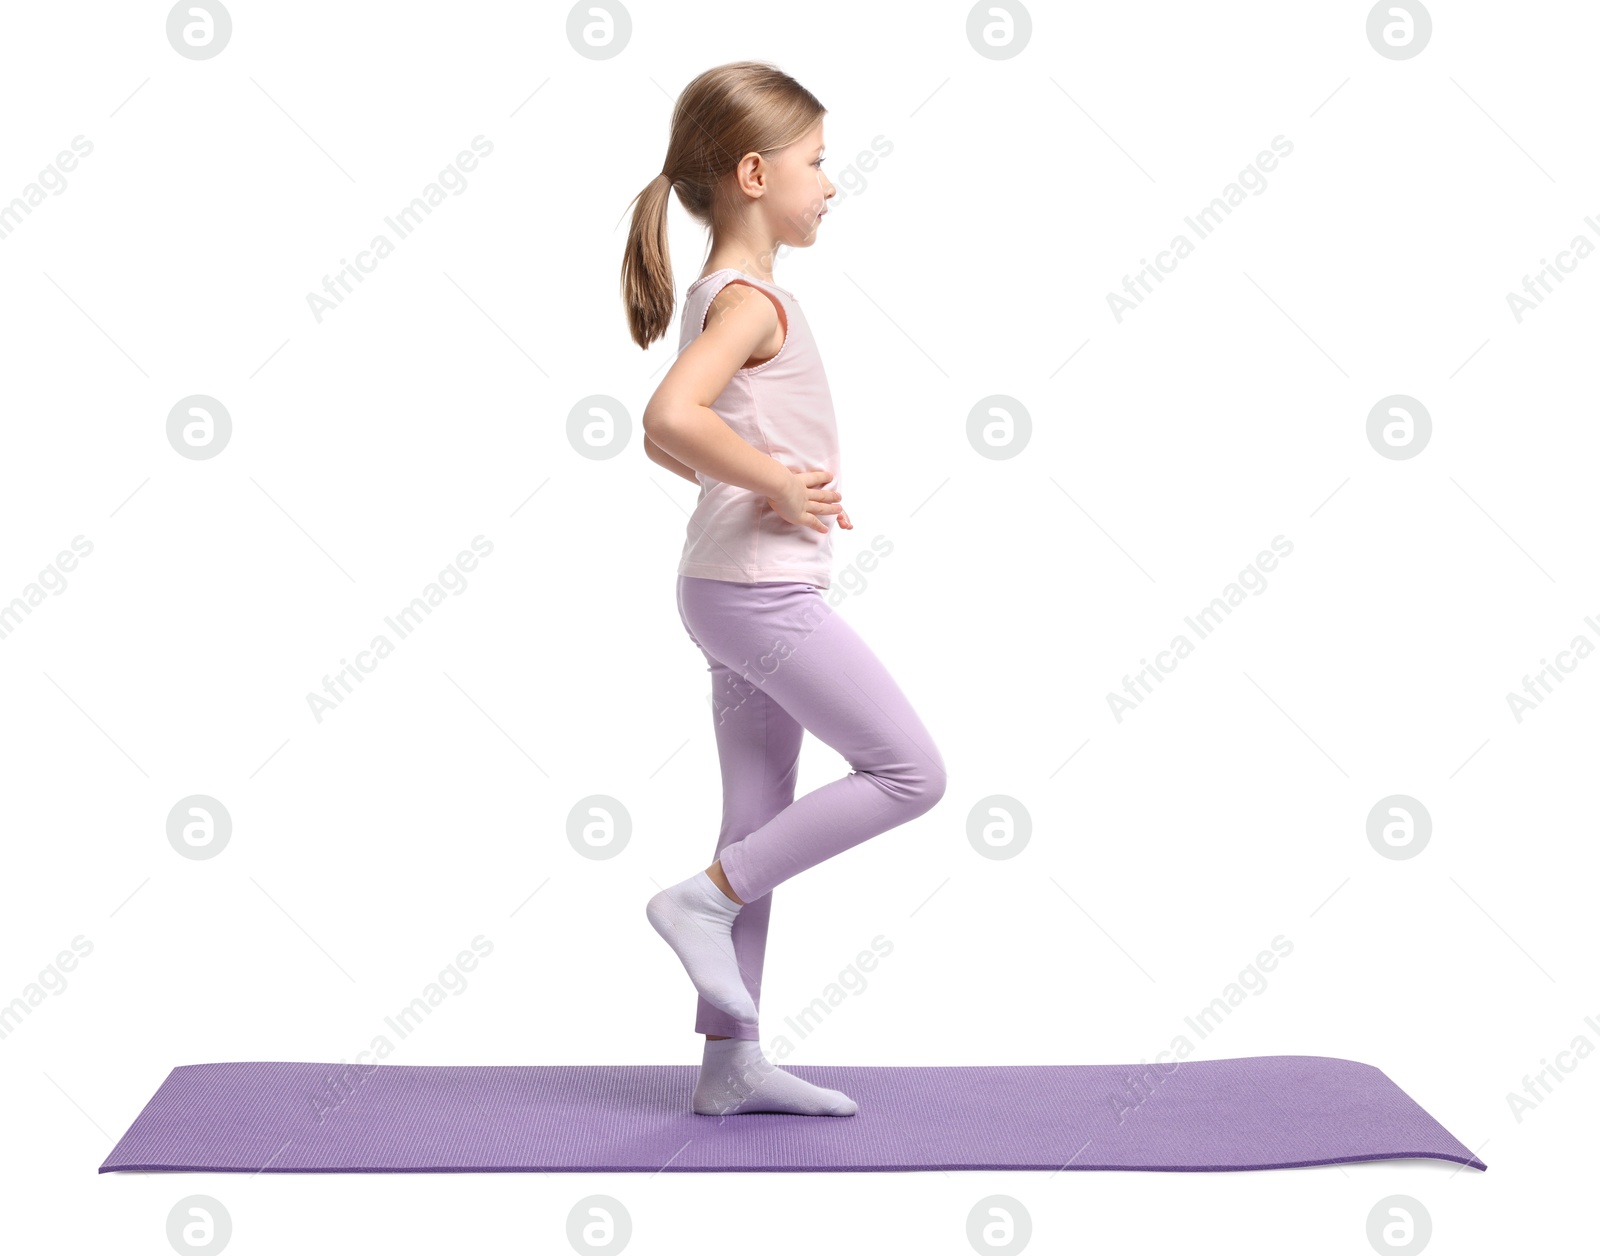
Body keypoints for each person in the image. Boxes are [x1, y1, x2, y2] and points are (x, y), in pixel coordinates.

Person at [620, 62, 947, 1117]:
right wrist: (774, 480)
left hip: (725, 586)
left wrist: (760, 476)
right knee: (908, 771)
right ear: (753, 173)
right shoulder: (752, 301)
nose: (831, 183)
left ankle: (732, 1063)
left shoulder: (728, 295)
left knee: (757, 814)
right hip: (759, 599)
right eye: (816, 163)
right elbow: (669, 417)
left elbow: (688, 439)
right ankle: (694, 902)